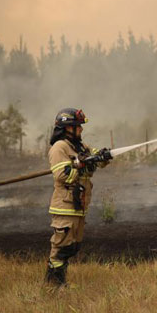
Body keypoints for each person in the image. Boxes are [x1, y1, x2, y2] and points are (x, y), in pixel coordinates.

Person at [45, 108, 112, 286]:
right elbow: (63, 175)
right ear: (68, 128)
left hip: (78, 205)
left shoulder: (80, 147)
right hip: (64, 206)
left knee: (72, 247)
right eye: (78, 126)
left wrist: (103, 156)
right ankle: (54, 285)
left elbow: (97, 157)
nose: (81, 130)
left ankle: (59, 283)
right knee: (61, 248)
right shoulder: (59, 147)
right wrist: (83, 164)